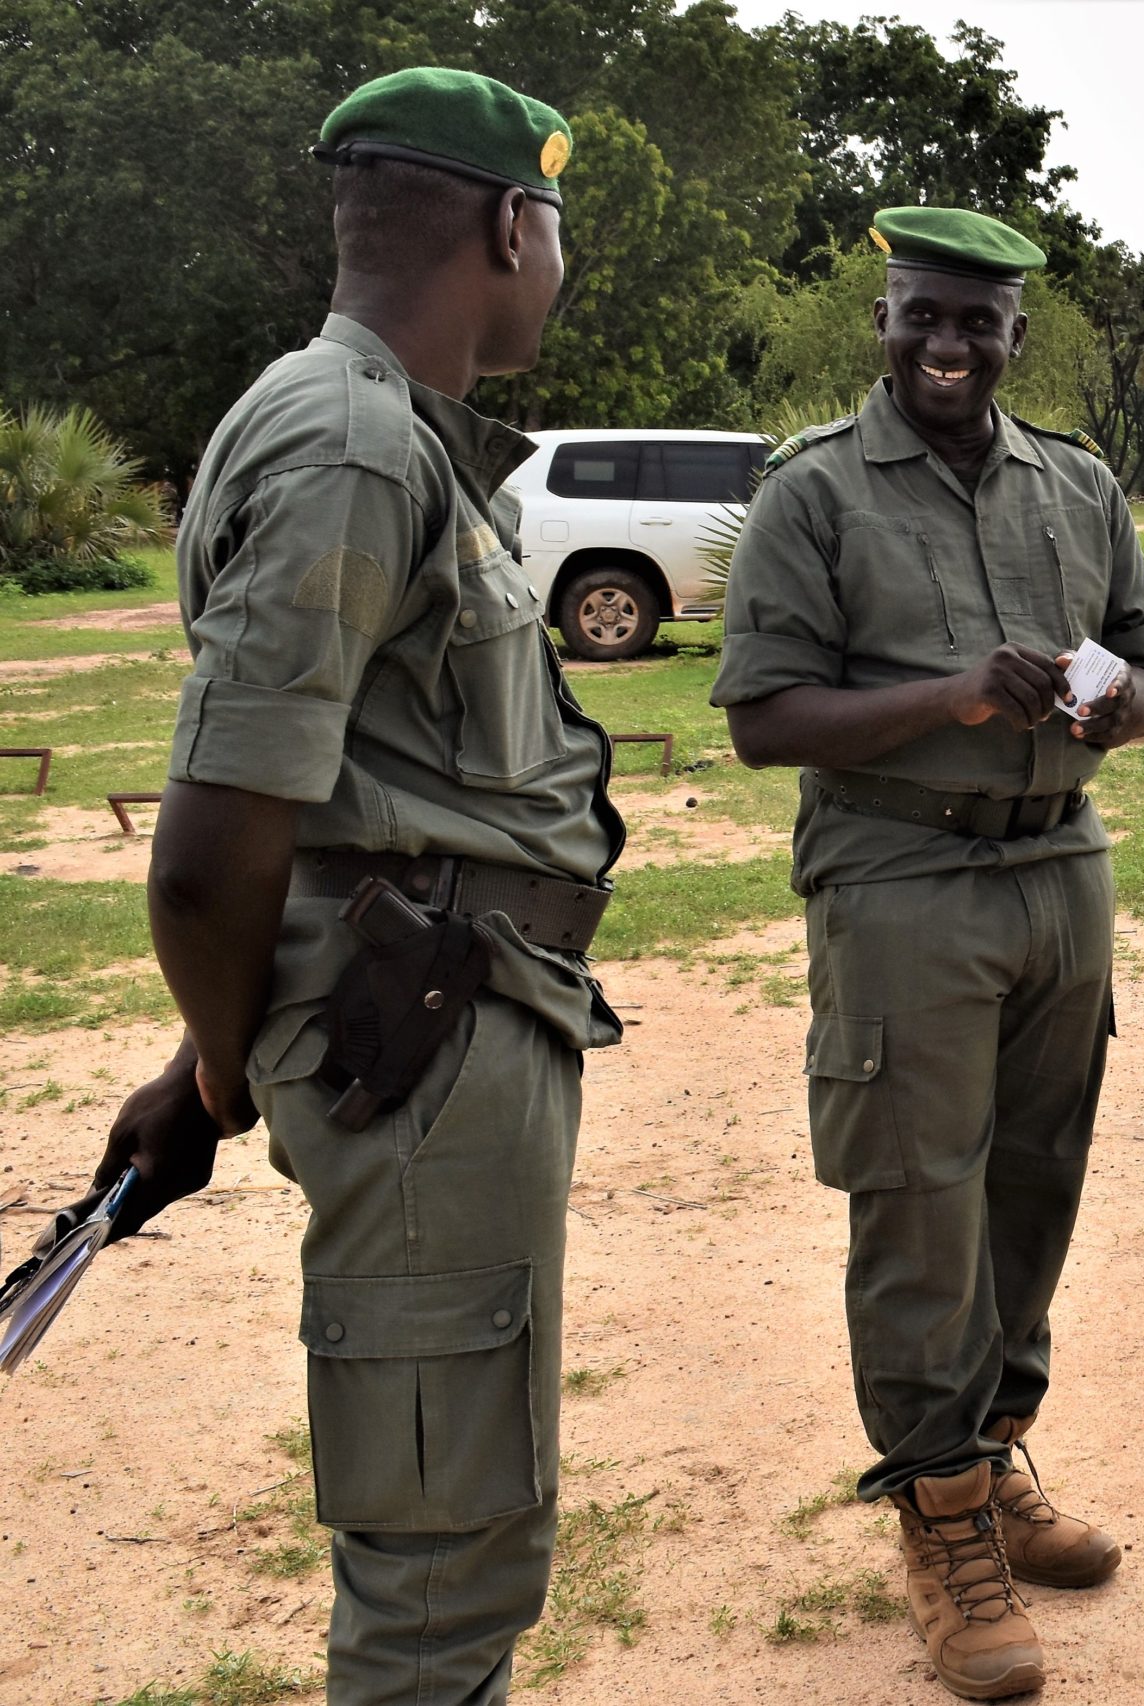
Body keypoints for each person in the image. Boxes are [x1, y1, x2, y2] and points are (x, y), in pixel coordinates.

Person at [55, 68, 623, 1705]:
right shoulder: (356, 445)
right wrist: (221, 1070)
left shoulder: (357, 425)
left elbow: (333, 807)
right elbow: (208, 853)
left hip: (429, 1011)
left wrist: (206, 1062)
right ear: (510, 223)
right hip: (421, 1046)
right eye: (556, 228)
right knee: (442, 1574)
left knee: (455, 1541)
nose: (558, 263)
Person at [712, 206, 1144, 1702]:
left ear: (1014, 335)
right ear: (885, 319)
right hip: (902, 875)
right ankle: (938, 1509)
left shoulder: (1077, 483)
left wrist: (1115, 704)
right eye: (922, 313)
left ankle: (992, 1453)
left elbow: (1143, 657)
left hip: (1061, 866)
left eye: (977, 321)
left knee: (1035, 1180)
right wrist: (955, 696)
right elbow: (764, 717)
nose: (948, 343)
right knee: (920, 1202)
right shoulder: (814, 490)